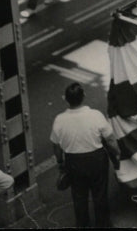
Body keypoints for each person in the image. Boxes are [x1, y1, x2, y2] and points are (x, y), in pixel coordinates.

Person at [50, 83, 121, 229]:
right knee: (100, 195)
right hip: (96, 160)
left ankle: (83, 225)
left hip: (73, 162)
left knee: (79, 197)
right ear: (84, 97)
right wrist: (117, 153)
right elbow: (110, 139)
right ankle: (103, 225)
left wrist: (60, 163)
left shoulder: (59, 120)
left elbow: (56, 146)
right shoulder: (95, 115)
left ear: (66, 99)